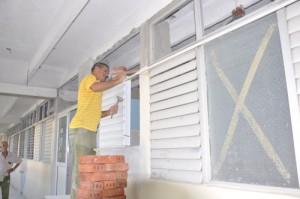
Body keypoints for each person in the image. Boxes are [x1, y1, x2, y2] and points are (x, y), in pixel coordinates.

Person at [69, 62, 125, 199]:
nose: (106, 74)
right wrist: (118, 80)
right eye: (105, 71)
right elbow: (95, 87)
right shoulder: (90, 79)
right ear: (95, 69)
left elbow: (95, 113)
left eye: (107, 72)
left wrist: (108, 112)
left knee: (87, 170)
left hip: (88, 131)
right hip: (81, 130)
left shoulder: (96, 91)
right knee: (81, 171)